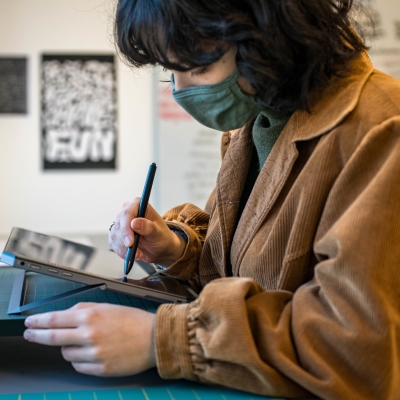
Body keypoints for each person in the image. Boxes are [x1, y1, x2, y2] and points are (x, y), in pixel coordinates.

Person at [23, 0, 400, 398]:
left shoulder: (381, 128)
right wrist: (175, 246)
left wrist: (162, 339)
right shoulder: (258, 121)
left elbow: (356, 350)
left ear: (270, 31)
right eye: (170, 69)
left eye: (198, 65)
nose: (180, 90)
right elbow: (240, 271)